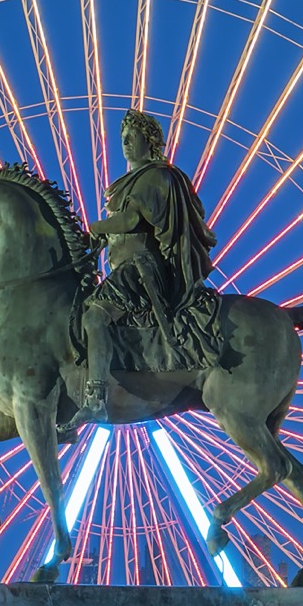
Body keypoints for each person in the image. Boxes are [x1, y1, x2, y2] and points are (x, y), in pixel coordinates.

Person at [58, 110, 218, 432]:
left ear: (151, 141)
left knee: (94, 316)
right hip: (126, 268)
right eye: (123, 139)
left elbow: (131, 221)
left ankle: (96, 399)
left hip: (143, 268)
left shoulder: (154, 177)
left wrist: (95, 226)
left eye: (134, 137)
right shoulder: (135, 181)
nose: (126, 144)